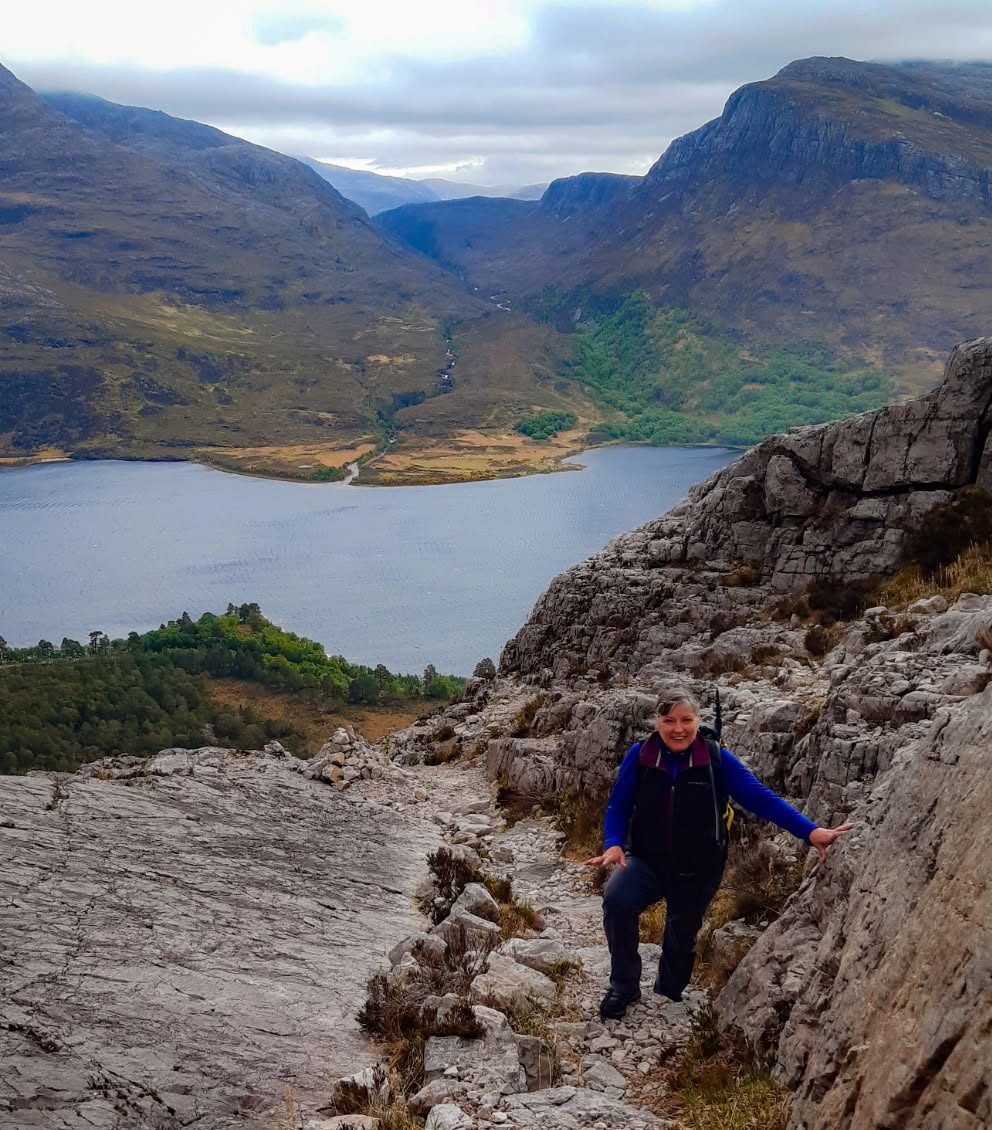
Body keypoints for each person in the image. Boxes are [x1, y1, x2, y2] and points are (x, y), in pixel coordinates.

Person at [585, 688, 852, 1020]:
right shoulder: (641, 755)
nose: (678, 729)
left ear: (698, 721)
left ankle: (667, 994)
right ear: (657, 721)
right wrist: (613, 843)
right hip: (646, 860)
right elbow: (619, 805)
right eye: (669, 721)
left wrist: (810, 832)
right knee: (616, 900)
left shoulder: (714, 758)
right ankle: (624, 987)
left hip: (698, 867)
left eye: (687, 720)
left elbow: (760, 798)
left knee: (681, 935)